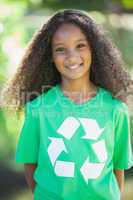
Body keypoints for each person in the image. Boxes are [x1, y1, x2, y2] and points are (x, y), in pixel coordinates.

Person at [1, 9, 133, 200]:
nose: (71, 57)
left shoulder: (115, 110)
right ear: (50, 57)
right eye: (60, 49)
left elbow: (117, 167)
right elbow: (30, 163)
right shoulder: (38, 109)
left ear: (94, 49)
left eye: (80, 46)